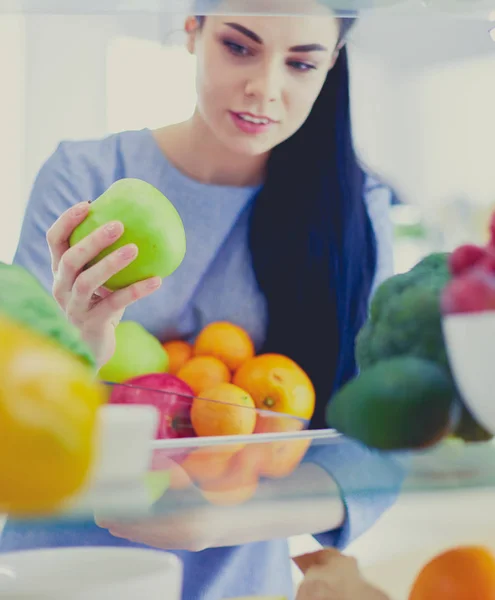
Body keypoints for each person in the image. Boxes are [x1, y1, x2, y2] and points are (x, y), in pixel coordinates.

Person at [2, 4, 404, 599]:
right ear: (193, 32)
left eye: (300, 63)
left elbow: (379, 443)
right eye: (239, 47)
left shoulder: (352, 208)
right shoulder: (85, 175)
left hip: (234, 580)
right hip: (58, 573)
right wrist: (78, 344)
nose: (264, 89)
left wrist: (225, 521)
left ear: (332, 64)